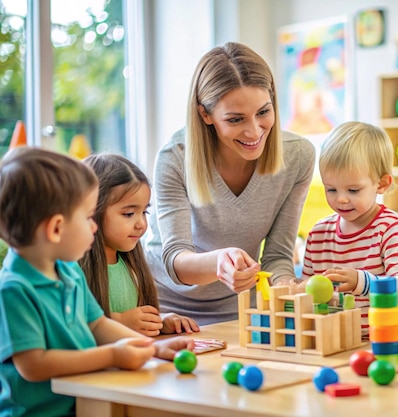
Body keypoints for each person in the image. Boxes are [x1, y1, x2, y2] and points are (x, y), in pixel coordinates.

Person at [0, 147, 193, 417]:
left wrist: (152, 348)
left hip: (83, 401)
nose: (94, 226)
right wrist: (113, 356)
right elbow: (34, 365)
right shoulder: (13, 289)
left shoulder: (68, 271)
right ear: (56, 228)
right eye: (89, 217)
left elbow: (98, 323)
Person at [144, 42, 315, 325]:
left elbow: (278, 256)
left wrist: (290, 286)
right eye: (236, 119)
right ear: (205, 114)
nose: (254, 131)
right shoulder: (175, 158)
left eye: (263, 112)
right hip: (166, 310)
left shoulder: (298, 156)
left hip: (240, 310)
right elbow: (175, 259)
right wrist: (220, 262)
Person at [295, 121, 398, 335]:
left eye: (353, 190)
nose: (341, 199)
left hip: (383, 344)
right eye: (331, 189)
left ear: (381, 184)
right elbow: (308, 293)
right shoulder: (318, 234)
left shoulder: (391, 229)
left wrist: (361, 282)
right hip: (330, 342)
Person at [81, 153, 199, 336]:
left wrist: (159, 321)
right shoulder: (72, 270)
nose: (141, 224)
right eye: (129, 214)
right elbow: (72, 328)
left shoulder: (132, 264)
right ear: (92, 211)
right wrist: (119, 322)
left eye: (144, 212)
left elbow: (134, 316)